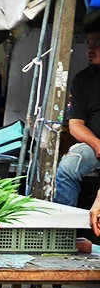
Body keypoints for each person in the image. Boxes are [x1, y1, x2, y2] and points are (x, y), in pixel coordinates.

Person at [56, 31, 100, 208]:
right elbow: (75, 124)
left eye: (97, 42)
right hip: (95, 146)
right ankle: (64, 231)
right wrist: (97, 144)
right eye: (88, 43)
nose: (90, 48)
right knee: (67, 166)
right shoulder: (82, 79)